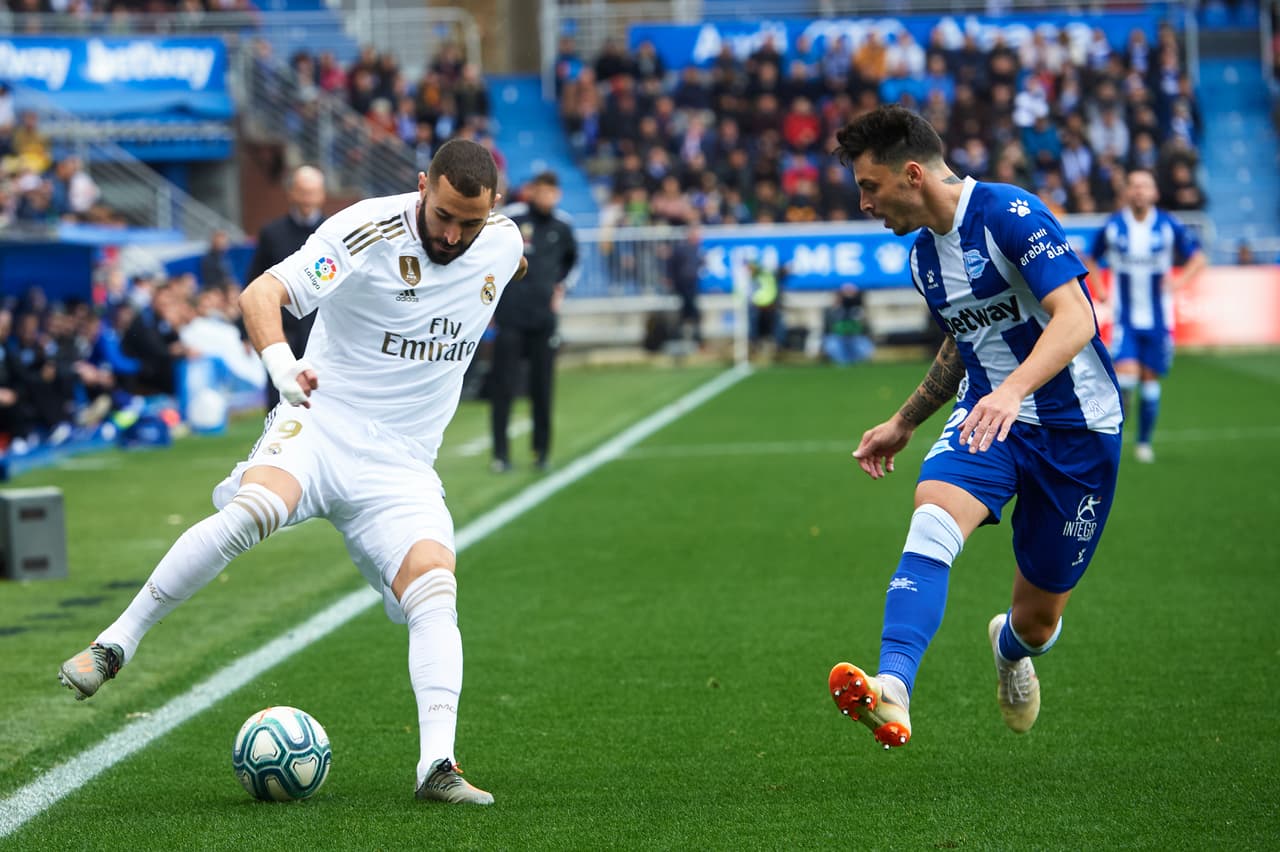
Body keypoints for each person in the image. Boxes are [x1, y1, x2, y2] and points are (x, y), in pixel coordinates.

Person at [58, 139, 528, 805]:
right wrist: (283, 367)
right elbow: (263, 293)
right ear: (423, 186)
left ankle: (436, 766)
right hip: (321, 422)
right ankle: (114, 645)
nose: (452, 235)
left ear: (493, 210)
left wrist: (501, 258)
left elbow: (510, 261)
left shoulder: (501, 242)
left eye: (468, 223)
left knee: (434, 589)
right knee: (253, 512)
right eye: (443, 215)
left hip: (401, 464)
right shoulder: (365, 230)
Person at [827, 105, 1123, 748]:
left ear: (912, 174)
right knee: (932, 517)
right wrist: (905, 420)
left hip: (1078, 429)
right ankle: (893, 685)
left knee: (1037, 622)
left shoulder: (1009, 214)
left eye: (870, 186)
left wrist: (1015, 390)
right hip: (988, 417)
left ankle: (1011, 650)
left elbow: (1077, 316)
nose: (864, 203)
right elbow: (967, 341)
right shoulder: (923, 260)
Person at [1085, 168, 1205, 463]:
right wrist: (1099, 288)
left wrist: (1179, 281)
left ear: (1155, 192)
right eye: (1134, 185)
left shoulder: (1167, 225)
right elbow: (1090, 257)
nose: (1139, 190)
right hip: (1124, 318)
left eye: (1145, 185)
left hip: (1158, 321)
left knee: (1150, 382)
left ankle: (1143, 443)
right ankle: (1115, 434)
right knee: (1126, 380)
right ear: (1126, 192)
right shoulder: (1114, 226)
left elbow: (1198, 257)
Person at [488, 171, 577, 473]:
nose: (547, 197)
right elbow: (490, 253)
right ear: (532, 192)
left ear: (558, 195)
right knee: (503, 385)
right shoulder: (511, 218)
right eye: (542, 191)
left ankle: (541, 452)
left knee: (543, 386)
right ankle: (500, 454)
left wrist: (561, 288)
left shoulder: (562, 225)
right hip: (511, 315)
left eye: (552, 192)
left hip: (543, 318)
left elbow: (572, 262)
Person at [246, 165, 327, 409]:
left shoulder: (332, 232)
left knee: (324, 397)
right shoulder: (272, 233)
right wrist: (246, 330)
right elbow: (255, 283)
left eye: (313, 192)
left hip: (322, 329)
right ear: (291, 193)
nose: (308, 199)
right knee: (280, 395)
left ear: (322, 194)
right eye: (303, 192)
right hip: (283, 329)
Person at [664, 223, 704, 346]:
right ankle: (686, 335)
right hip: (683, 283)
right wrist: (669, 278)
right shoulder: (681, 248)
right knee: (689, 308)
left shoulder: (698, 249)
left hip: (692, 282)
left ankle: (688, 334)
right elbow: (671, 264)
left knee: (689, 309)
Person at [822, 283, 874, 364]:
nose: (848, 298)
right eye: (845, 295)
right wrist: (837, 307)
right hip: (839, 339)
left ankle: (857, 361)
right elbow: (828, 330)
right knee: (832, 344)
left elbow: (866, 329)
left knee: (863, 346)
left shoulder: (858, 310)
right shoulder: (831, 310)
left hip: (856, 338)